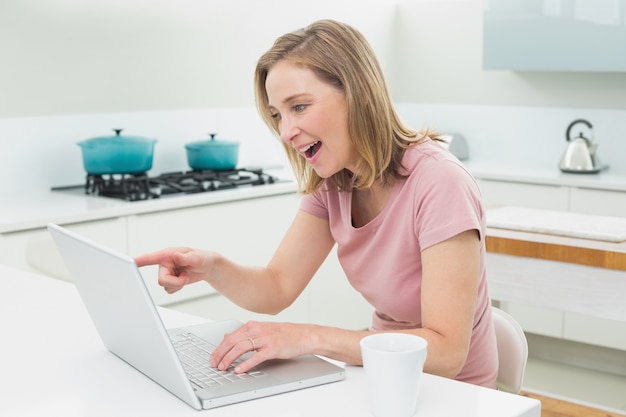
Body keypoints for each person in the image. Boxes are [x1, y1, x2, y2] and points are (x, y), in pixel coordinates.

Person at [135, 19, 498, 388]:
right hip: (383, 379)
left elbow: (448, 353)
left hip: (456, 394)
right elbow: (277, 287)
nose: (285, 131)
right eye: (278, 114)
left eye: (300, 107)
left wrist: (309, 337)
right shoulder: (335, 184)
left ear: (361, 92)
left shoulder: (439, 181)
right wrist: (213, 267)